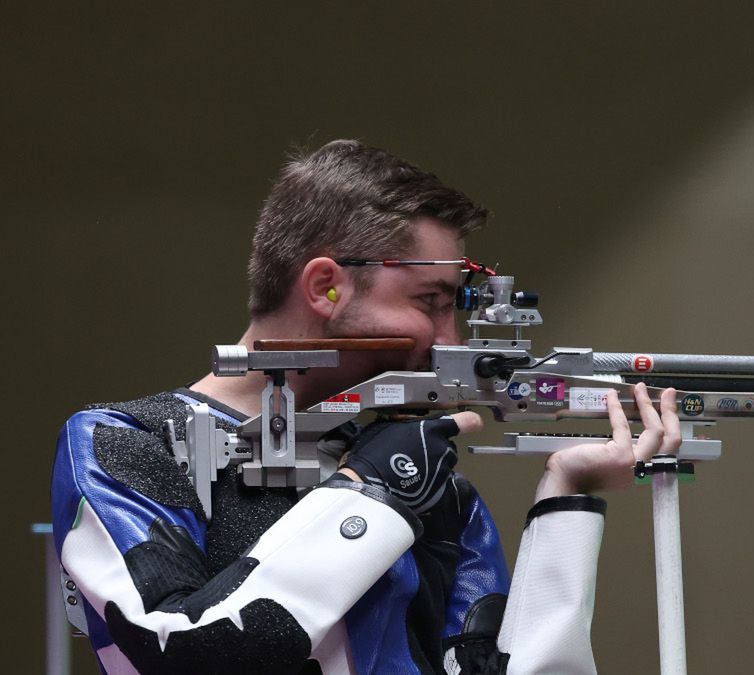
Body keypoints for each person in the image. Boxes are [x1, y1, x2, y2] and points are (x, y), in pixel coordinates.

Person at [51, 139, 681, 674]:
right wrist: (372, 493)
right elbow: (174, 651)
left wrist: (566, 500)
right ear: (327, 286)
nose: (450, 341)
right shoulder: (126, 444)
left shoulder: (425, 484)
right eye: (430, 300)